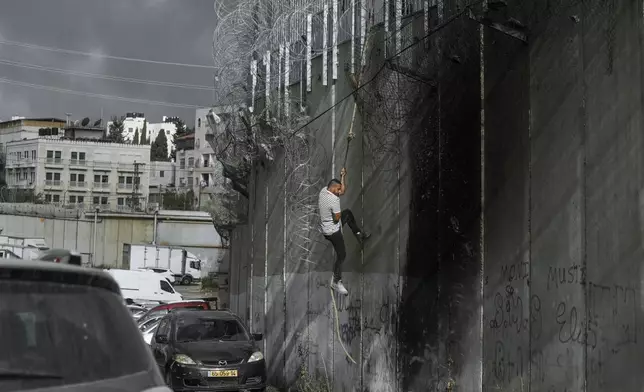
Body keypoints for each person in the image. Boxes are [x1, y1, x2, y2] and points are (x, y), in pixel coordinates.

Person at [318, 167, 371, 295]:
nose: (340, 192)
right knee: (342, 255)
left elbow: (342, 189)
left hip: (327, 225)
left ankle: (359, 235)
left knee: (347, 213)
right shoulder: (333, 200)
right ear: (332, 189)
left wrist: (342, 176)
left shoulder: (324, 191)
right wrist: (336, 210)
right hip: (332, 232)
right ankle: (336, 281)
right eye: (337, 190)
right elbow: (337, 219)